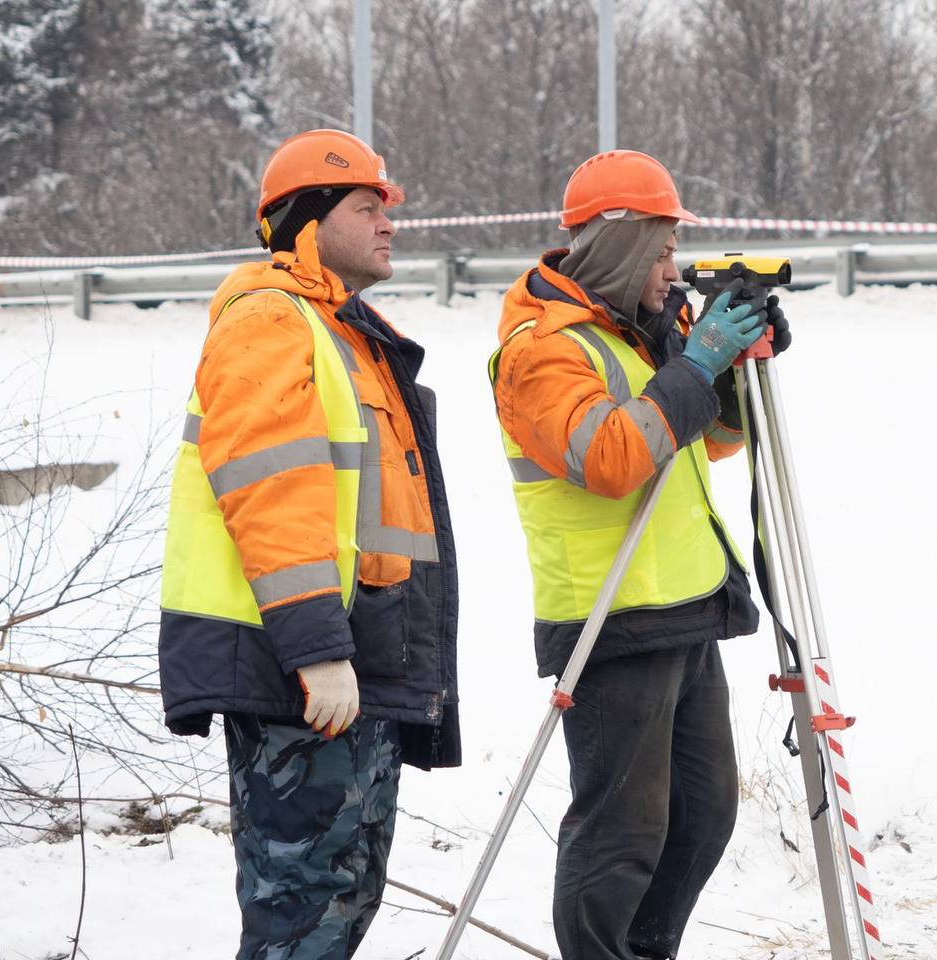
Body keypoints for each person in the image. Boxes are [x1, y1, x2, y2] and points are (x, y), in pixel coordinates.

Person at [157, 128, 460, 959]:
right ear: (305, 221)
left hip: (350, 673)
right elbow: (269, 491)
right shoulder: (269, 321)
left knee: (341, 904)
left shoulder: (347, 333)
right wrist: (319, 649)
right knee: (301, 918)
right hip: (300, 673)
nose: (390, 222)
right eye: (367, 207)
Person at [488, 149, 791, 960]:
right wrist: (694, 363)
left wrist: (732, 369)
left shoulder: (643, 330)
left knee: (703, 816)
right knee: (622, 835)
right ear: (618, 244)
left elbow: (714, 442)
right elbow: (611, 458)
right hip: (610, 618)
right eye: (659, 250)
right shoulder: (541, 349)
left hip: (685, 605)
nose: (672, 268)